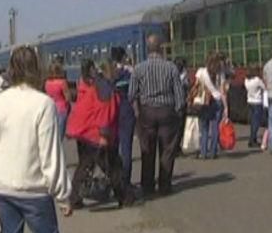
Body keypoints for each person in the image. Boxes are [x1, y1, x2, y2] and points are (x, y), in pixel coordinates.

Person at [0, 45, 72, 233]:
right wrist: (62, 195)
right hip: (34, 191)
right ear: (37, 68)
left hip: (3, 189)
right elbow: (50, 154)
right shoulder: (43, 104)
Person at [68, 59, 134, 208]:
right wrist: (104, 135)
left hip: (84, 129)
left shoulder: (95, 84)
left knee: (86, 164)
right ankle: (125, 196)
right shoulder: (105, 88)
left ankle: (74, 198)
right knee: (112, 166)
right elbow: (104, 111)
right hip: (95, 132)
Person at [128, 34, 185, 196]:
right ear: (161, 48)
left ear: (147, 49)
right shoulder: (171, 68)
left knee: (147, 149)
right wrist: (178, 112)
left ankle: (147, 186)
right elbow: (179, 95)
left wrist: (137, 111)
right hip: (167, 111)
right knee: (167, 150)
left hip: (146, 112)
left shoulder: (138, 69)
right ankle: (165, 185)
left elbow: (131, 94)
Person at [194, 53, 227, 159]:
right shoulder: (220, 73)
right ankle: (213, 152)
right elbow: (222, 91)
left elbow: (197, 86)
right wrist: (226, 107)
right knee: (215, 127)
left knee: (204, 128)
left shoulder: (200, 72)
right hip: (217, 101)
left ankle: (203, 152)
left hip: (204, 102)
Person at [113, 47, 137, 187]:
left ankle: (114, 180)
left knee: (113, 148)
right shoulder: (129, 71)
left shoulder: (107, 72)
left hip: (111, 111)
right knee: (126, 147)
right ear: (123, 57)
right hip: (126, 109)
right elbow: (134, 91)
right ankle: (126, 181)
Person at [44, 62, 71, 141]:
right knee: (59, 138)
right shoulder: (62, 83)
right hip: (62, 110)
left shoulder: (47, 83)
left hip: (51, 110)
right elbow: (68, 97)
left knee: (52, 136)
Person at [245, 67, 266, 148]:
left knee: (253, 121)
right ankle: (252, 139)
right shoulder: (257, 80)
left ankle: (252, 138)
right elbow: (265, 87)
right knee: (256, 122)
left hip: (250, 101)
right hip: (257, 102)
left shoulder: (246, 80)